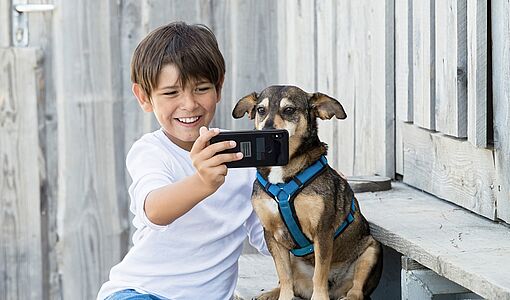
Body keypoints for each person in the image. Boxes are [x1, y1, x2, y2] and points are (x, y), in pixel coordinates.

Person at [97, 21, 268, 300]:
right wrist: (202, 182)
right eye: (171, 93)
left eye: (201, 88)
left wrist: (310, 194)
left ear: (219, 87)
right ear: (144, 97)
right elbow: (154, 211)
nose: (189, 104)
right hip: (142, 291)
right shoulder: (151, 151)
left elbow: (268, 238)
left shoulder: (241, 158)